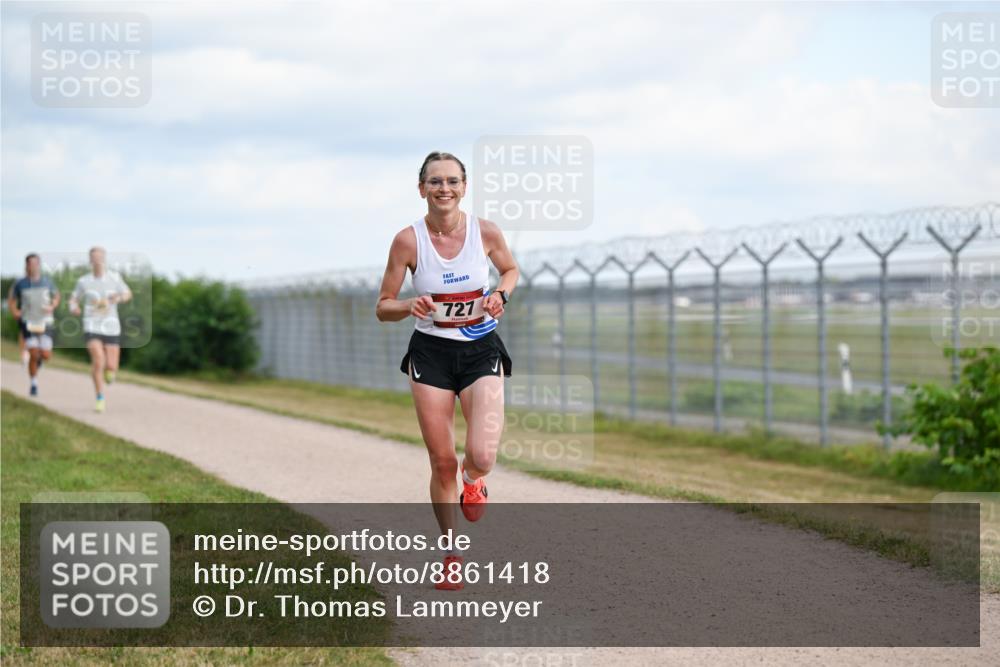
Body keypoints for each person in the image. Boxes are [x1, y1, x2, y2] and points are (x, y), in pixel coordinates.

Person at [376, 151, 519, 591]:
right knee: (441, 462)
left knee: (481, 455)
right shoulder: (407, 241)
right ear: (422, 188)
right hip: (431, 354)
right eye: (435, 182)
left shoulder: (486, 232)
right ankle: (452, 555)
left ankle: (474, 482)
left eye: (452, 181)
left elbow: (511, 270)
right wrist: (408, 305)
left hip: (480, 350)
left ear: (464, 186)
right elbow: (383, 306)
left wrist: (500, 294)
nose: (444, 189)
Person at [69, 247, 132, 413]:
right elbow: (74, 299)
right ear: (90, 260)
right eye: (94, 257)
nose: (97, 260)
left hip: (111, 325)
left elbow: (127, 294)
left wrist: (118, 297)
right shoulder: (84, 281)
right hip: (92, 324)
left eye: (100, 257)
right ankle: (99, 397)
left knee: (111, 365)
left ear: (104, 259)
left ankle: (110, 373)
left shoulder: (114, 277)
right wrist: (73, 308)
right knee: (98, 360)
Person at [7, 254, 61, 396]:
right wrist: (15, 311)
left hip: (45, 321)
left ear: (39, 265)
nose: (33, 266)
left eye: (36, 263)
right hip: (28, 321)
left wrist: (52, 306)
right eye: (30, 264)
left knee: (45, 354)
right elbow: (11, 300)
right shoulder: (20, 283)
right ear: (26, 266)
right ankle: (34, 384)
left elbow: (56, 296)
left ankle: (39, 362)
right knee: (33, 352)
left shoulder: (47, 282)